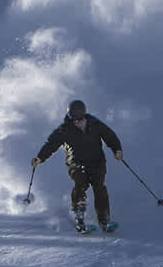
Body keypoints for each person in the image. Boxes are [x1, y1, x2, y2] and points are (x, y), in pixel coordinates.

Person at [32, 99, 123, 233]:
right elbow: (51, 144)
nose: (77, 121)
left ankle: (104, 220)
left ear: (84, 115)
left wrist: (117, 150)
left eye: (79, 117)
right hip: (76, 163)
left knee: (99, 188)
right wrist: (40, 158)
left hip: (97, 162)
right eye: (73, 118)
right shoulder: (64, 129)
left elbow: (110, 136)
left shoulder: (95, 124)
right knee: (81, 185)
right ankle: (79, 217)